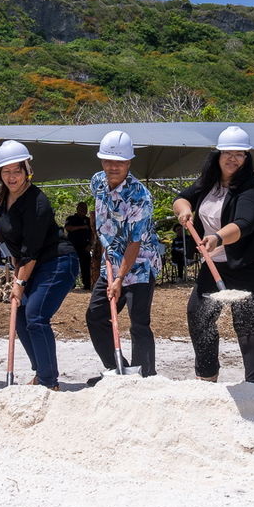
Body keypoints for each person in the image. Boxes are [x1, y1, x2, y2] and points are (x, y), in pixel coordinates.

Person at [173, 126, 254, 385]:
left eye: (240, 154)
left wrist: (217, 238)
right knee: (199, 316)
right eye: (228, 153)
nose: (233, 159)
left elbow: (245, 222)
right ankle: (207, 376)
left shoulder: (252, 187)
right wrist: (184, 211)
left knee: (246, 323)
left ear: (247, 158)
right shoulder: (208, 183)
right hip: (215, 264)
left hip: (248, 264)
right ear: (217, 155)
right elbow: (182, 198)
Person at [0, 141, 78, 390]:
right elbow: (16, 247)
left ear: (27, 169)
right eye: (6, 171)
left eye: (17, 170)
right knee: (21, 317)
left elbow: (30, 250)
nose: (12, 177)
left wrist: (20, 283)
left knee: (36, 316)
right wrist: (16, 278)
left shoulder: (37, 202)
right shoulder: (4, 198)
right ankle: (41, 372)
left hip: (58, 262)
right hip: (32, 264)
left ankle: (49, 381)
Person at [84, 130, 162, 382]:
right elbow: (99, 214)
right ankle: (118, 370)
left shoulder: (140, 197)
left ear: (129, 162)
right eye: (107, 160)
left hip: (138, 265)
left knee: (138, 323)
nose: (112, 166)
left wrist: (118, 279)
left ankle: (145, 378)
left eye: (118, 162)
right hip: (112, 262)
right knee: (96, 316)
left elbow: (134, 243)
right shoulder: (97, 181)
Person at [64, 200, 93, 290]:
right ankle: (71, 285)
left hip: (85, 247)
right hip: (73, 246)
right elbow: (68, 228)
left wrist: (90, 244)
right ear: (77, 209)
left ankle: (87, 285)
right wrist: (82, 227)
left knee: (86, 266)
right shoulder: (71, 218)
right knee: (72, 266)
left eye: (85, 208)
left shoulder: (88, 220)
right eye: (82, 208)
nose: (83, 210)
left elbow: (93, 233)